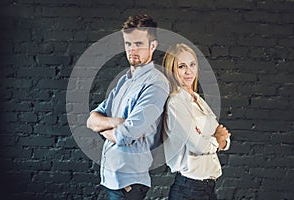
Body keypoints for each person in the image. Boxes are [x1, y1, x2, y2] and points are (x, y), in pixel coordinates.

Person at [87, 14, 169, 200]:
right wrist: (119, 122)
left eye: (139, 44)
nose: (132, 50)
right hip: (112, 179)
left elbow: (127, 134)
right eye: (128, 44)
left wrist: (104, 130)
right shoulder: (124, 81)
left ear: (153, 46)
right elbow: (92, 120)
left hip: (129, 184)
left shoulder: (156, 83)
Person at [162, 43, 231, 200]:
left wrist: (216, 140)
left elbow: (225, 138)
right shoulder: (176, 103)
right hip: (188, 189)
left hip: (208, 188)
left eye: (192, 65)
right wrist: (216, 139)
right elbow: (198, 145)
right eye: (181, 66)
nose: (188, 71)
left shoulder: (197, 100)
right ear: (172, 70)